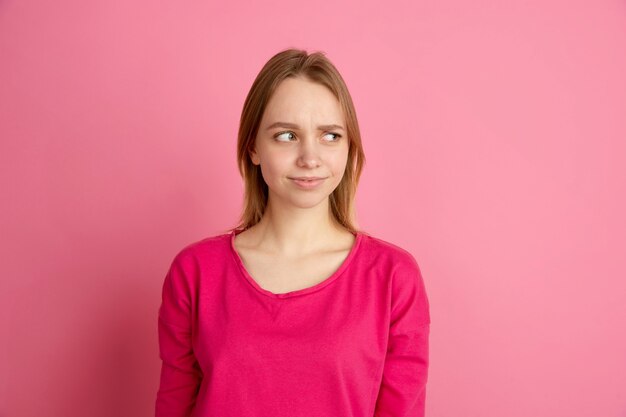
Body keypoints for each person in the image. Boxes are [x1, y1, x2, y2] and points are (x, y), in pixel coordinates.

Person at [155, 48, 431, 417]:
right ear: (253, 147)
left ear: (349, 148)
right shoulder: (195, 272)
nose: (310, 157)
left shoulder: (393, 278)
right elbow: (173, 405)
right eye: (286, 135)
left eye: (330, 136)